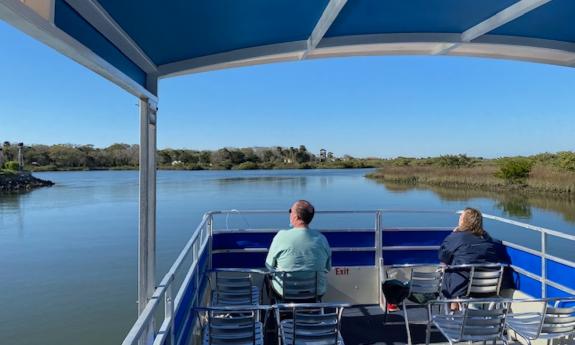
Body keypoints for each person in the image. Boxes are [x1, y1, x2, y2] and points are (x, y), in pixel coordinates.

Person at [439, 207, 513, 306]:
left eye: (460, 217)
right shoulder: (489, 240)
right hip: (490, 288)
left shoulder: (456, 237)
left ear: (463, 221)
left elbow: (442, 256)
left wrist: (454, 234)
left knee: (447, 266)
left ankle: (454, 304)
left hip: (463, 288)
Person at [265, 200, 331, 302]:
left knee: (267, 278)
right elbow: (327, 267)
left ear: (296, 217)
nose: (289, 214)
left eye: (290, 211)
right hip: (314, 292)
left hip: (286, 293)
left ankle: (274, 314)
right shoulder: (321, 239)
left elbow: (269, 265)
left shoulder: (281, 237)